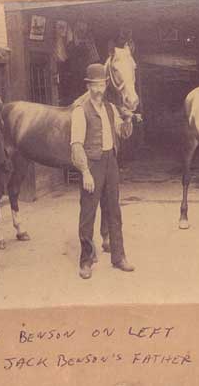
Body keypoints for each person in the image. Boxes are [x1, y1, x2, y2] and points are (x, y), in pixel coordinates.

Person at [70, 63, 135, 279]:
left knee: (114, 211)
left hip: (110, 162)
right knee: (88, 214)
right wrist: (85, 172)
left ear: (106, 85)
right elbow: (76, 145)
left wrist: (128, 120)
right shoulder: (81, 111)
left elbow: (123, 134)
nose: (99, 90)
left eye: (102, 85)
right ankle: (85, 261)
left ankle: (119, 257)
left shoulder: (110, 108)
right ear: (88, 86)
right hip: (92, 164)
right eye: (95, 86)